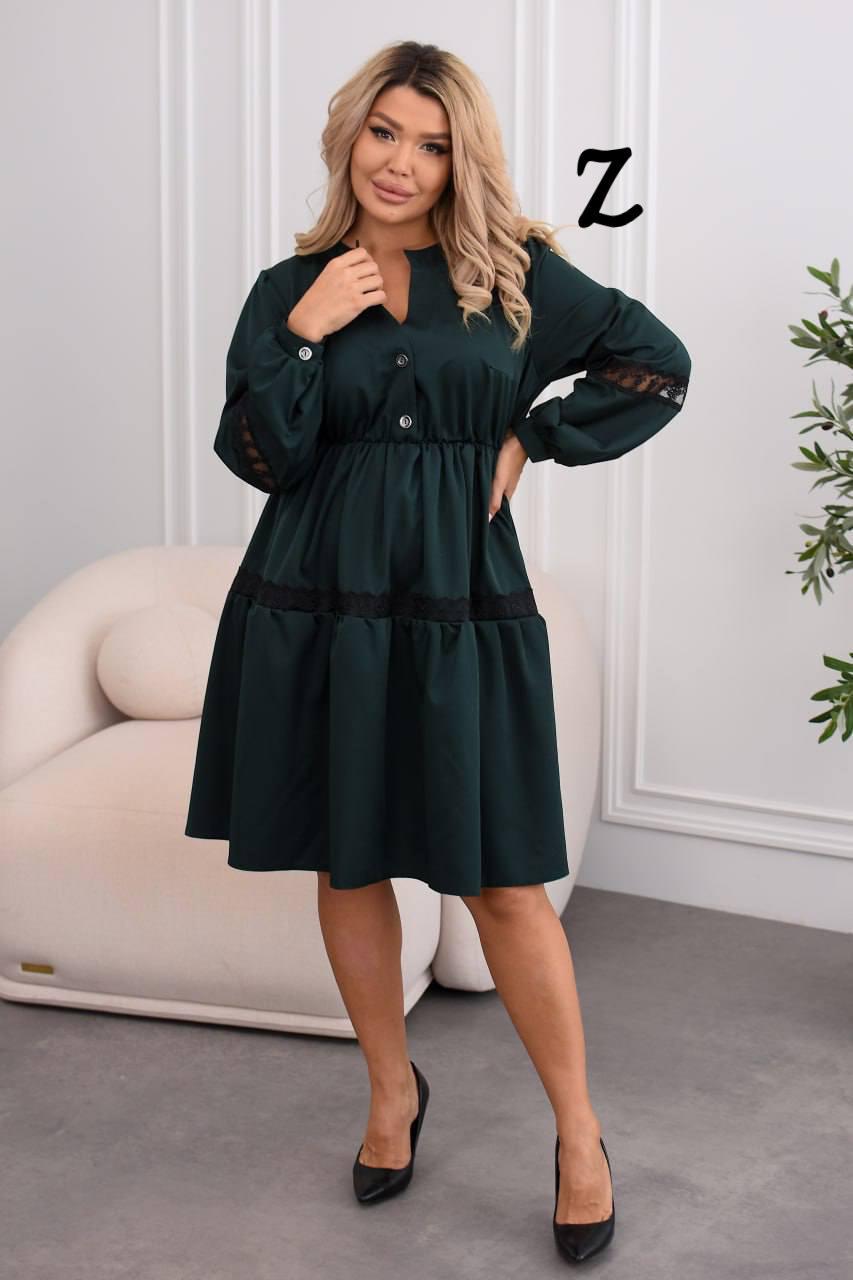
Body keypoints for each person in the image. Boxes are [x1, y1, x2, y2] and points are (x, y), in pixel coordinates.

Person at [184, 39, 691, 1263]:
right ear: (348, 135)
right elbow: (257, 456)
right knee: (347, 856)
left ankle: (577, 1132)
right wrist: (303, 333)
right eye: (384, 132)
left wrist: (532, 438)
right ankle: (390, 1089)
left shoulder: (516, 277)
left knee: (503, 879)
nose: (401, 163)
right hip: (317, 597)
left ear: (462, 160)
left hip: (462, 598)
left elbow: (655, 365)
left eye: (432, 143)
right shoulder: (289, 285)